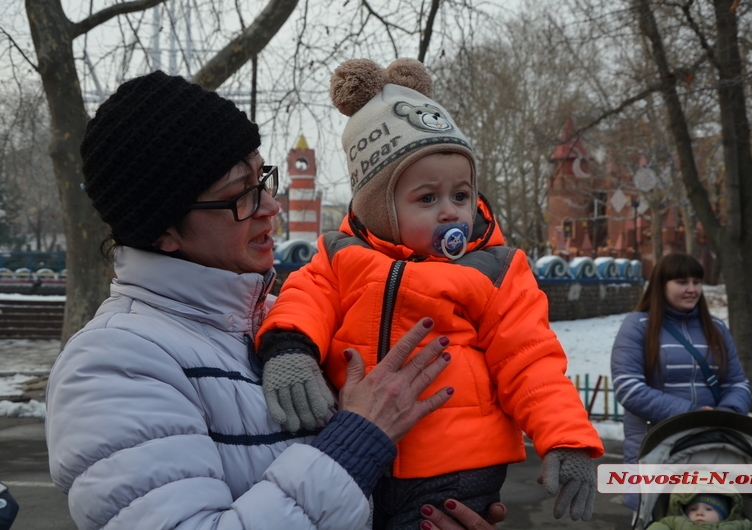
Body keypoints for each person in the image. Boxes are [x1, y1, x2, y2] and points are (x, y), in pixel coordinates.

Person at [45, 70, 505, 530]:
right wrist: (357, 442)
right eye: (240, 195)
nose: (270, 206)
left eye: (262, 178)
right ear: (163, 232)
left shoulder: (281, 320)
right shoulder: (112, 364)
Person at [254, 58, 604, 529]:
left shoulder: (495, 269)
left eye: (460, 196)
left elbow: (530, 359)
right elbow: (304, 297)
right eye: (427, 198)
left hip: (456, 469)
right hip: (357, 453)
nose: (450, 213)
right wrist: (290, 348)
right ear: (378, 207)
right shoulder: (340, 255)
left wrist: (567, 438)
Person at [611, 253, 752, 511]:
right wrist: (691, 415)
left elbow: (737, 383)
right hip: (655, 448)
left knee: (709, 517)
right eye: (682, 281)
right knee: (660, 519)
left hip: (711, 446)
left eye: (697, 281)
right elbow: (629, 389)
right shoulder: (638, 326)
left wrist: (725, 415)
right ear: (661, 284)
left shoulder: (717, 328)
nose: (692, 289)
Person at [647, 492, 752, 529]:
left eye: (708, 509)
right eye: (693, 509)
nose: (699, 512)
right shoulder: (678, 522)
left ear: (723, 514)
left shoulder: (738, 525)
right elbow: (660, 525)